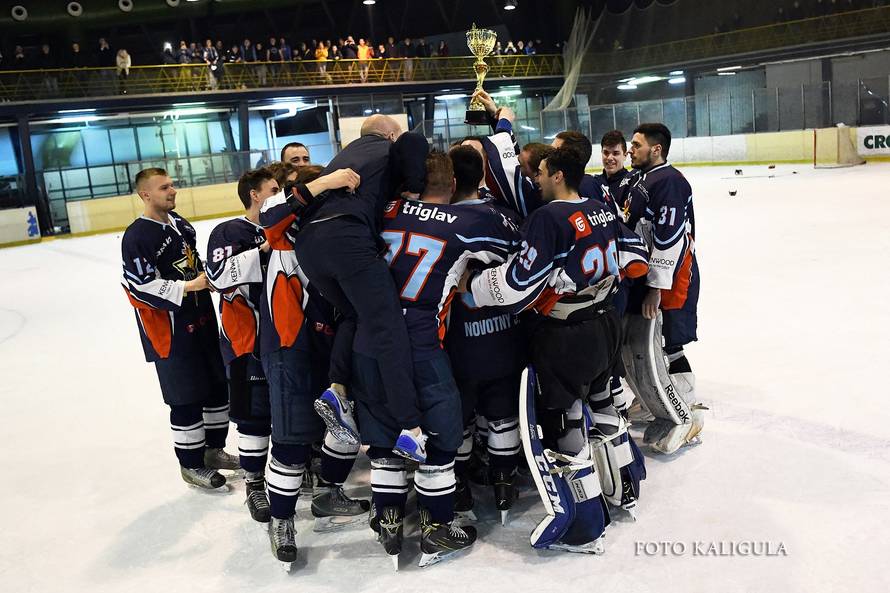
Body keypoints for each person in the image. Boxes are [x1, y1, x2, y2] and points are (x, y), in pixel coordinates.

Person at [464, 148, 650, 552]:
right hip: (605, 323)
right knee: (603, 403)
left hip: (568, 334)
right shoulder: (599, 207)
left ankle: (584, 528)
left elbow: (518, 283)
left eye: (542, 172)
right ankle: (625, 489)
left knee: (568, 423)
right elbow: (637, 255)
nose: (536, 179)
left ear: (558, 175)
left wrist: (474, 287)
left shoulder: (547, 218)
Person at [359, 151, 518, 567]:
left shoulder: (385, 209)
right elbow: (515, 251)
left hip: (370, 340)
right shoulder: (469, 222)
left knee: (383, 433)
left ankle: (389, 516)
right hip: (421, 343)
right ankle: (438, 525)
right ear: (452, 186)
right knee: (441, 434)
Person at [283, 115, 430, 464]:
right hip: (347, 239)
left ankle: (337, 388)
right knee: (388, 328)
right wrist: (414, 188)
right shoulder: (391, 147)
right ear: (390, 135)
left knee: (353, 313)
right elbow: (413, 143)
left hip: (309, 246)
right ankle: (411, 428)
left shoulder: (342, 157)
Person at [256, 166, 372, 568]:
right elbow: (269, 215)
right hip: (288, 347)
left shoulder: (333, 232)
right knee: (290, 441)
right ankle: (281, 519)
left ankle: (329, 492)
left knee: (345, 426)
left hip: (332, 347)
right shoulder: (282, 227)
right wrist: (325, 181)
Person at [121, 168, 240, 491]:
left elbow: (195, 264)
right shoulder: (136, 237)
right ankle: (190, 464)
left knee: (217, 387)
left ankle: (213, 450)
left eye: (172, 185)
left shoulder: (181, 224)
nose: (172, 191)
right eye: (164, 187)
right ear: (145, 195)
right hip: (170, 332)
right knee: (185, 397)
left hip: (202, 321)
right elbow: (139, 287)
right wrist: (188, 286)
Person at [444, 145, 526, 524]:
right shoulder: (508, 216)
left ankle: (458, 483)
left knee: (459, 418)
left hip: (459, 341)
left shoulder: (442, 222)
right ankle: (504, 481)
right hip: (506, 336)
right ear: (482, 176)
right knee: (502, 411)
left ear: (451, 180)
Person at [623, 123, 704, 454]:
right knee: (650, 340)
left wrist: (656, 287)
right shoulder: (646, 178)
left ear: (656, 149)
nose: (631, 149)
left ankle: (685, 408)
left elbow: (669, 237)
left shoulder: (668, 181)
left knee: (669, 342)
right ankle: (656, 402)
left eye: (636, 144)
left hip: (672, 277)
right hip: (652, 275)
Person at [205, 169, 277, 523]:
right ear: (254, 195)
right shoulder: (230, 232)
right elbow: (217, 276)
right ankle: (254, 483)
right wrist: (264, 248)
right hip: (246, 343)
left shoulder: (287, 226)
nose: (280, 195)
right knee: (253, 419)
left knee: (288, 413)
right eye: (274, 190)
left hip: (286, 340)